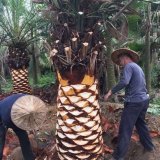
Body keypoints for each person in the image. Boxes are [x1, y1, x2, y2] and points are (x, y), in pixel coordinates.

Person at [104, 48, 154, 160]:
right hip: (143, 100)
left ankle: (118, 157)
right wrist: (126, 94)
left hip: (134, 103)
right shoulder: (138, 68)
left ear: (124, 58)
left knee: (125, 129)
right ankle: (149, 147)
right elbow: (137, 85)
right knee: (140, 124)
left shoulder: (129, 66)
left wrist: (111, 91)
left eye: (120, 61)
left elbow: (125, 82)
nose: (120, 64)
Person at [0, 93, 46, 160]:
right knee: (1, 136)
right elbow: (7, 126)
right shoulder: (6, 116)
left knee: (24, 137)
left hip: (16, 112)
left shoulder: (29, 100)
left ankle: (29, 158)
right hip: (2, 116)